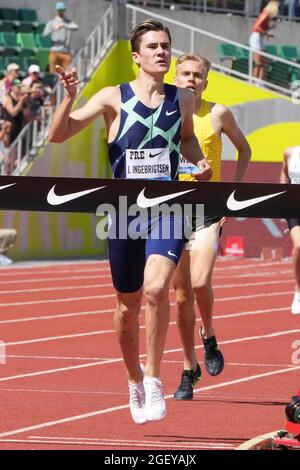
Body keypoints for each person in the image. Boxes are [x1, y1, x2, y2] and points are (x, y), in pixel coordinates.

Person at [48, 19, 212, 424]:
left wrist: (197, 161)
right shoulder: (113, 98)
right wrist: (68, 97)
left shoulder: (183, 99)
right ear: (136, 57)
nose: (162, 52)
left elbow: (187, 137)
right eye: (153, 46)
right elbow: (59, 134)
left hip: (169, 208)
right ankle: (135, 379)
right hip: (122, 213)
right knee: (127, 307)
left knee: (157, 288)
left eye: (166, 45)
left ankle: (155, 378)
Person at [173, 53, 251, 400]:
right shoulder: (163, 113)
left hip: (207, 210)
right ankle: (189, 369)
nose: (192, 79)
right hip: (171, 210)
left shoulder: (217, 113)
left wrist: (231, 197)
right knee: (179, 295)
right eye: (186, 74)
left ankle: (209, 333)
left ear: (206, 81)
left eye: (198, 75)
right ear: (176, 77)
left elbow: (244, 150)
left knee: (201, 283)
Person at [280, 146, 300, 314]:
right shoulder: (290, 153)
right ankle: (298, 291)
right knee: (298, 247)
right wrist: (282, 196)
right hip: (295, 207)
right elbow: (284, 172)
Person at [43, 2, 78, 74]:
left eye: (62, 10)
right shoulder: (51, 22)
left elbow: (75, 27)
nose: (61, 12)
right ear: (56, 11)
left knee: (68, 73)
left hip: (66, 52)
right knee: (53, 73)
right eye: (59, 10)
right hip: (54, 51)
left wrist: (64, 25)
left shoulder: (67, 21)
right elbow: (44, 34)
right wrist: (53, 28)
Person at [249, 1, 279, 80]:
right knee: (258, 62)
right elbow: (257, 27)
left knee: (266, 62)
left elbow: (261, 27)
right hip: (256, 38)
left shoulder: (268, 16)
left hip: (260, 38)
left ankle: (260, 81)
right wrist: (267, 34)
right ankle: (254, 81)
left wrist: (269, 28)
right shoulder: (265, 14)